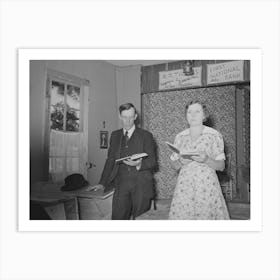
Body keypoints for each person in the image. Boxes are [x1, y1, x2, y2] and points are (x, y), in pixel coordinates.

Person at [88, 103, 157, 220]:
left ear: (135, 116)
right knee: (118, 218)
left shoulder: (146, 136)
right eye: (125, 117)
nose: (128, 120)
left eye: (131, 117)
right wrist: (102, 182)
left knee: (141, 221)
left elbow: (153, 162)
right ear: (120, 116)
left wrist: (139, 164)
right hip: (121, 183)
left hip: (141, 183)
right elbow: (110, 160)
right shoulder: (115, 135)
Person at [168, 100, 230, 220]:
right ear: (186, 116)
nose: (193, 115)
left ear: (204, 115)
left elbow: (221, 166)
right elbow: (174, 165)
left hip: (206, 187)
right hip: (184, 187)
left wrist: (206, 159)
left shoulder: (214, 135)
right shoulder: (180, 137)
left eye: (197, 111)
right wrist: (181, 162)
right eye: (189, 112)